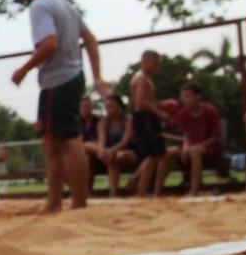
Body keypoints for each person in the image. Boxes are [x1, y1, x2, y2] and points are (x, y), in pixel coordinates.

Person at [10, 0, 112, 213]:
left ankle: (76, 202)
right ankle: (56, 201)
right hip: (70, 76)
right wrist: (97, 76)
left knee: (67, 141)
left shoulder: (40, 6)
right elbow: (89, 39)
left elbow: (50, 43)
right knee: (52, 142)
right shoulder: (65, 4)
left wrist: (24, 69)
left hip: (59, 79)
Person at [156, 81, 222, 196]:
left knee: (195, 151)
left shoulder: (210, 111)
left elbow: (215, 137)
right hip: (191, 146)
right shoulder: (184, 114)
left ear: (198, 97)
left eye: (188, 96)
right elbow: (186, 135)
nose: (184, 99)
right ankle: (157, 192)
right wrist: (186, 147)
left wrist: (197, 146)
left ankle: (194, 191)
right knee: (168, 152)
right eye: (183, 96)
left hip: (209, 147)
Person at [129, 50, 168, 197]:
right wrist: (161, 114)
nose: (156, 67)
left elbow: (143, 101)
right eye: (154, 63)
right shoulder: (141, 79)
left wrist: (158, 106)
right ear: (145, 61)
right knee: (154, 154)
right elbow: (140, 103)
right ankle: (141, 190)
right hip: (144, 117)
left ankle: (137, 182)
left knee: (159, 154)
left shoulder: (143, 78)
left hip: (146, 116)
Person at [95, 94, 137, 197]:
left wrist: (111, 150)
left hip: (130, 150)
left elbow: (126, 141)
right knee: (112, 158)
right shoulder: (103, 122)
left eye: (111, 106)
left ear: (119, 106)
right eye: (107, 107)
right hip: (111, 153)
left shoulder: (128, 120)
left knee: (118, 156)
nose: (109, 110)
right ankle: (113, 193)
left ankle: (114, 192)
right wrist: (102, 150)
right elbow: (102, 139)